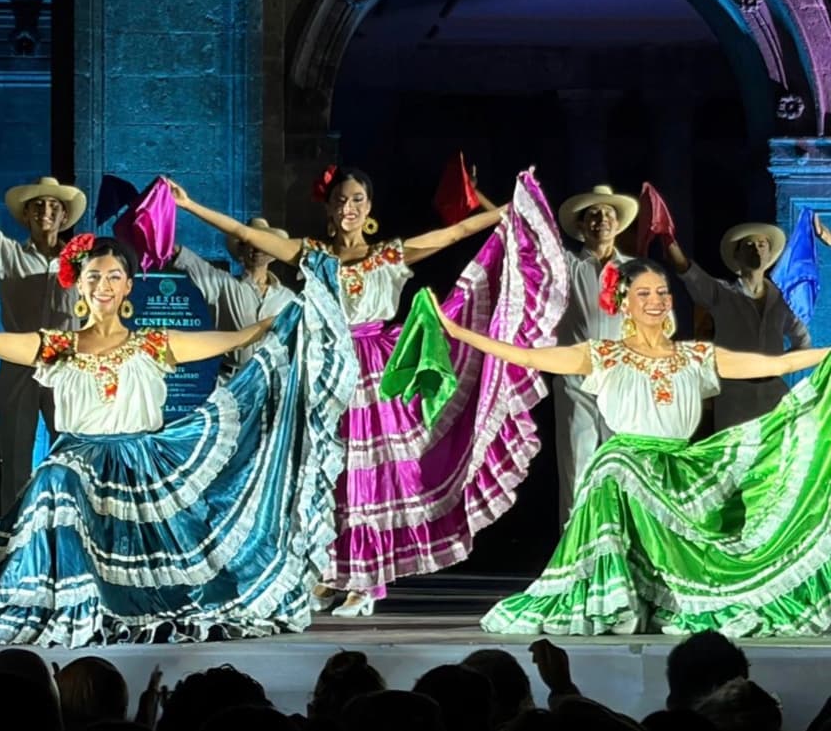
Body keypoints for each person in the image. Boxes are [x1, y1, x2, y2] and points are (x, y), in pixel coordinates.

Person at [0, 233, 357, 647]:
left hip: (137, 460)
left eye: (113, 277)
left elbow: (239, 339)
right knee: (55, 476)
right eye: (94, 277)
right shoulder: (58, 345)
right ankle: (62, 599)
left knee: (79, 491)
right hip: (77, 459)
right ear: (79, 284)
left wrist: (301, 314)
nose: (103, 286)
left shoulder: (152, 342)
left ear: (128, 286)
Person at [167, 167, 567, 617]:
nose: (348, 208)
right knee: (328, 472)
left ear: (368, 208)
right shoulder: (312, 254)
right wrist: (189, 205)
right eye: (341, 200)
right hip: (328, 365)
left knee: (370, 475)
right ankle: (329, 572)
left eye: (357, 199)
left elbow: (453, 233)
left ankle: (368, 580)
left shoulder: (389, 256)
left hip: (376, 367)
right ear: (330, 209)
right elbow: (244, 232)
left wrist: (510, 211)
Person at [431, 257, 831, 636]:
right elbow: (528, 356)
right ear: (624, 302)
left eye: (662, 293)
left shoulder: (694, 355)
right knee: (615, 463)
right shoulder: (605, 354)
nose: (655, 301)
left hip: (680, 467)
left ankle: (667, 595)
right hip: (627, 462)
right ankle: (617, 600)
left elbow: (776, 365)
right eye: (644, 294)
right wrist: (460, 332)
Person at [0, 176, 87, 513]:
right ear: (26, 215)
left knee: (69, 455)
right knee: (15, 459)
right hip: (19, 367)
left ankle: (68, 532)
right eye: (37, 206)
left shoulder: (82, 261)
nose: (45, 212)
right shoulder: (10, 255)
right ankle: (13, 541)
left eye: (54, 206)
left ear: (65, 216)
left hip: (66, 370)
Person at [664, 222, 811, 429]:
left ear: (770, 254)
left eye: (762, 244)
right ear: (737, 256)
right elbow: (689, 273)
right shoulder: (722, 294)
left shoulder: (782, 300)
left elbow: (803, 340)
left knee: (774, 457)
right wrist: (669, 241)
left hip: (774, 396)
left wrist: (782, 363)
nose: (756, 249)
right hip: (735, 397)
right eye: (749, 245)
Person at [552, 185, 639, 523]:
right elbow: (527, 240)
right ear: (581, 226)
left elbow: (663, 324)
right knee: (578, 472)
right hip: (577, 381)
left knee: (624, 473)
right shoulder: (565, 264)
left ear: (617, 224)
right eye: (593, 215)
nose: (601, 220)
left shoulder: (634, 270)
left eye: (607, 214)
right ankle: (576, 565)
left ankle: (623, 558)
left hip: (623, 384)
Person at [172, 217, 296, 379]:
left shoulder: (287, 297)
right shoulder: (224, 284)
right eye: (249, 244)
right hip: (231, 380)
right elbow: (190, 262)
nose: (257, 249)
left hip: (270, 381)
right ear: (241, 252)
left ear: (273, 253)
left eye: (262, 244)